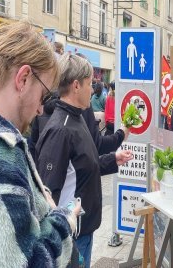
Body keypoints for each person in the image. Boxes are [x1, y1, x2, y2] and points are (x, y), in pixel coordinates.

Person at [0, 21, 79, 266]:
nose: (40, 109)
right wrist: (63, 220)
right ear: (24, 78)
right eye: (44, 95)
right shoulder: (0, 153)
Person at [35, 54, 133, 267]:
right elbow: (47, 192)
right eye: (90, 84)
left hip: (83, 229)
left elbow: (84, 165)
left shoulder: (78, 118)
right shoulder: (60, 130)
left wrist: (112, 159)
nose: (94, 88)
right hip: (71, 235)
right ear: (76, 85)